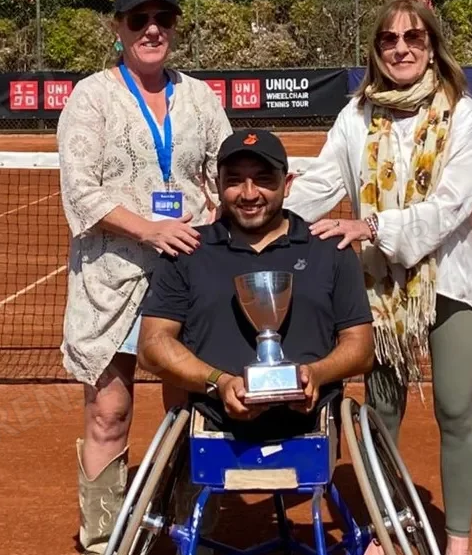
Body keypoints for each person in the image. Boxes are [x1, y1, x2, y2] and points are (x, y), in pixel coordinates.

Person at [284, 0, 472, 555]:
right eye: (389, 40)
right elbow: (322, 183)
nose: (401, 48)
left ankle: (457, 548)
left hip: (449, 283)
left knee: (455, 410)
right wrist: (259, 215)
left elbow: (452, 205)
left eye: (414, 38)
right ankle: (376, 536)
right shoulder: (355, 117)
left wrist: (372, 228)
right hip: (374, 290)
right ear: (375, 51)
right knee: (379, 420)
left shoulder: (463, 116)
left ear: (432, 46)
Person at [57, 0, 232, 555]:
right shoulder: (91, 98)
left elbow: (225, 169)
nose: (151, 29)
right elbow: (82, 190)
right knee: (108, 413)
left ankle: (192, 552)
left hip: (188, 281)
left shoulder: (199, 98)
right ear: (119, 28)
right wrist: (150, 226)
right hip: (111, 280)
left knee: (191, 411)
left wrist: (224, 207)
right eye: (138, 19)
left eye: (162, 17)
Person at [138, 129, 374, 446]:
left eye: (263, 179)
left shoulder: (331, 250)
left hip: (311, 424)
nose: (249, 193)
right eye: (234, 180)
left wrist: (314, 375)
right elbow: (152, 346)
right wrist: (218, 383)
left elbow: (360, 349)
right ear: (217, 186)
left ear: (287, 184)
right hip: (213, 424)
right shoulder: (186, 251)